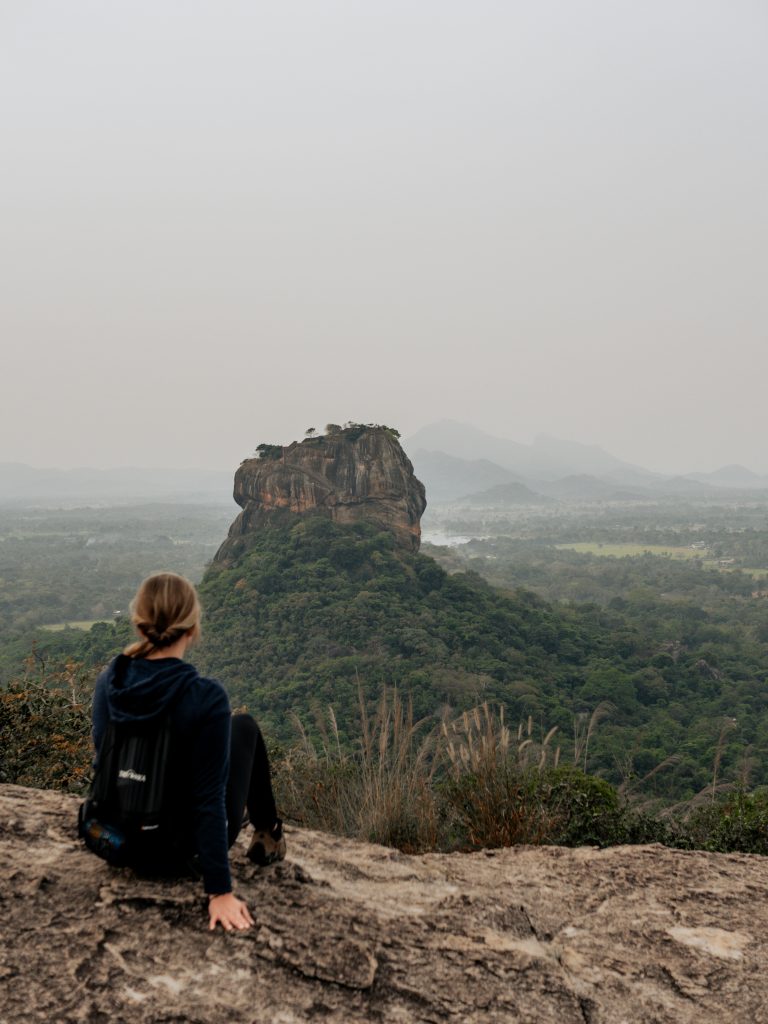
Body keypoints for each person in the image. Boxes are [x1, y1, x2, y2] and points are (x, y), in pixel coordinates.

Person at [90, 571, 285, 932]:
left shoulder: (110, 680)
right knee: (244, 726)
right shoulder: (205, 695)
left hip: (117, 841)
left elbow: (104, 762)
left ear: (139, 624)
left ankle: (264, 831)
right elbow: (209, 800)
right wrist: (219, 892)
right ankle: (268, 833)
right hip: (179, 852)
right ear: (193, 628)